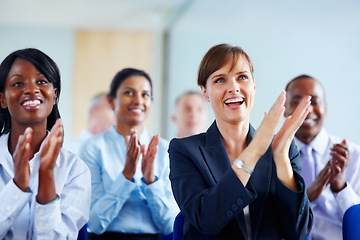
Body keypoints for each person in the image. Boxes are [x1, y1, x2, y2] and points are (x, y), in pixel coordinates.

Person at [168, 43, 313, 240]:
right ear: (205, 92)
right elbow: (206, 220)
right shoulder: (184, 150)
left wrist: (281, 158)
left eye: (242, 77)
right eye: (220, 80)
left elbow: (298, 231)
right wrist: (253, 152)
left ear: (253, 84)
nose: (233, 88)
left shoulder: (283, 148)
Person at [0, 48, 91, 239]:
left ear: (54, 94)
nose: (32, 90)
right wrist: (18, 186)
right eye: (17, 83)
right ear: (3, 99)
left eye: (42, 81)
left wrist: (47, 177)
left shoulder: (75, 170)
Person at [80, 68, 178, 240]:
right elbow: (94, 224)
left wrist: (150, 181)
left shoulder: (166, 149)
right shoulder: (93, 147)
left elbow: (169, 224)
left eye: (145, 95)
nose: (138, 100)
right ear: (112, 101)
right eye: (129, 92)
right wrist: (126, 175)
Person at [284, 74, 360, 240]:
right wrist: (306, 196)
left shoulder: (354, 156)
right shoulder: (271, 156)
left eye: (314, 102)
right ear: (285, 109)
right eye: (296, 102)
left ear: (325, 108)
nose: (307, 109)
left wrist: (341, 187)